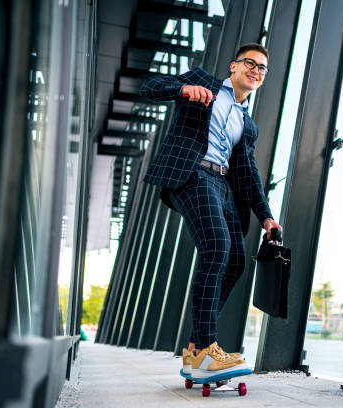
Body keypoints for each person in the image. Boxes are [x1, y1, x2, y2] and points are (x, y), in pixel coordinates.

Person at [139, 43, 282, 379]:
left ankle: (194, 349)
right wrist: (181, 88)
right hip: (191, 173)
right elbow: (150, 87)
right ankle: (206, 350)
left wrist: (266, 216)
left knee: (234, 262)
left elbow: (249, 175)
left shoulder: (248, 127)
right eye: (251, 63)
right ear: (233, 66)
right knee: (217, 246)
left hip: (223, 186)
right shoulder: (201, 82)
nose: (256, 70)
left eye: (262, 68)